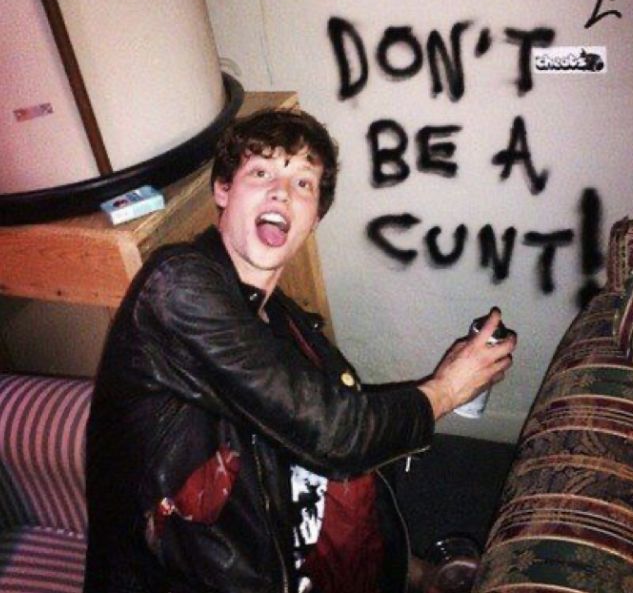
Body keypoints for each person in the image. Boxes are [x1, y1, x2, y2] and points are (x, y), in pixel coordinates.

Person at [83, 108, 515, 593]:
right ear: (222, 192)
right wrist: (447, 389)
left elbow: (333, 448)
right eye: (261, 172)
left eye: (303, 183)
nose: (281, 191)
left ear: (313, 219)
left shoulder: (286, 323)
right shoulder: (177, 287)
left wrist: (412, 573)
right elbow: (335, 431)